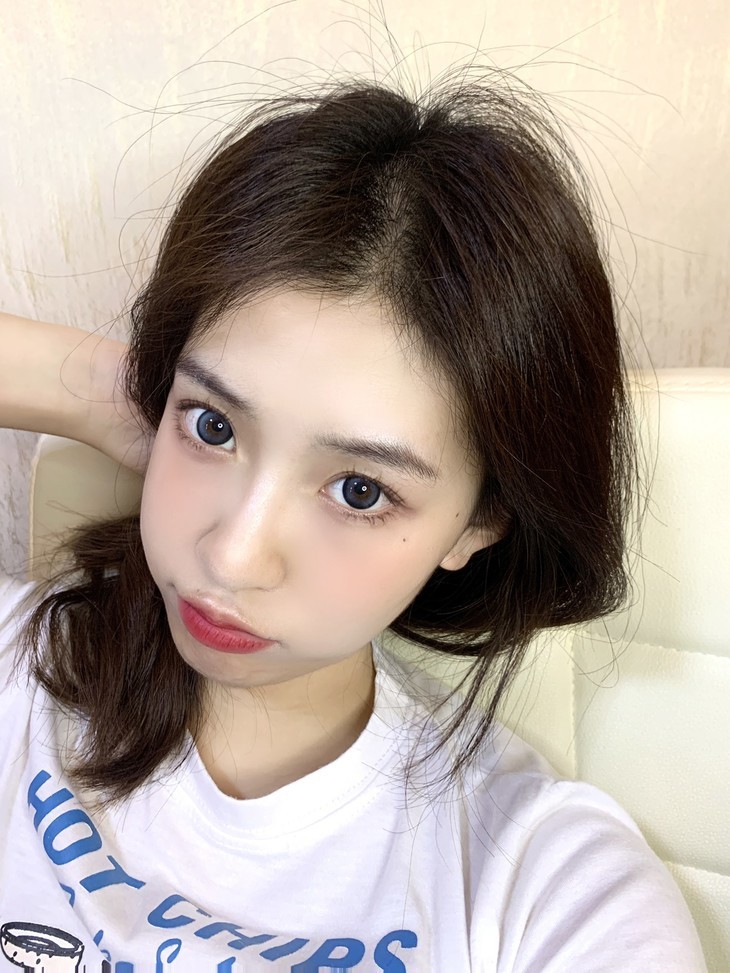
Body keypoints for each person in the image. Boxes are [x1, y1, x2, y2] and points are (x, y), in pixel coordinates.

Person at [0, 73, 707, 972]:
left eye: (361, 490)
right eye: (212, 426)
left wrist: (201, 409)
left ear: (481, 520)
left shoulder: (549, 889)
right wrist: (117, 388)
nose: (234, 554)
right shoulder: (23, 683)